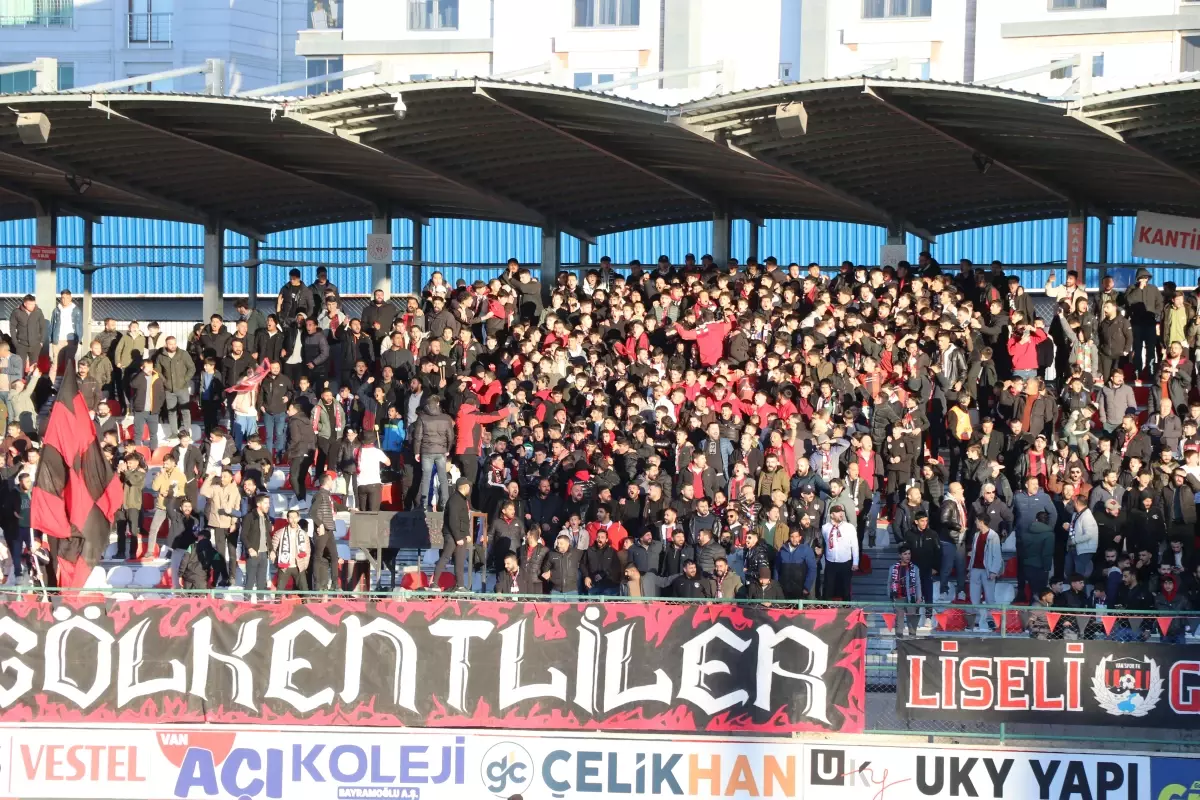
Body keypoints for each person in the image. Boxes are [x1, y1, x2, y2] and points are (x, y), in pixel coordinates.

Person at [411, 395, 454, 510]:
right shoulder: (446, 418)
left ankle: (424, 504)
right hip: (441, 451)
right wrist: (448, 449)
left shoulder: (422, 418)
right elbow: (450, 436)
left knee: (426, 478)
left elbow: (418, 437)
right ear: (438, 403)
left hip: (426, 451)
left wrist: (416, 452)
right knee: (443, 478)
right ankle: (444, 504)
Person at [435, 477, 473, 591]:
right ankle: (434, 583)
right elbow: (453, 520)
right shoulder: (455, 500)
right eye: (469, 486)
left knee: (459, 561)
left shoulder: (462, 500)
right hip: (452, 534)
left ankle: (460, 585)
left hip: (460, 535)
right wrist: (458, 537)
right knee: (445, 557)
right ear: (465, 487)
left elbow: (463, 519)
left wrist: (466, 534)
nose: (470, 488)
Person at [966, 516, 1003, 631]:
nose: (975, 522)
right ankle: (977, 620)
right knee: (974, 596)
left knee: (989, 597)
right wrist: (970, 568)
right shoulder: (976, 535)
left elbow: (997, 555)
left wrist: (994, 571)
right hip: (975, 569)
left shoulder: (993, 536)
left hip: (987, 570)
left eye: (977, 521)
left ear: (981, 522)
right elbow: (974, 553)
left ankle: (991, 620)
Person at [821, 504, 859, 600]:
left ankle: (846, 607)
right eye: (838, 512)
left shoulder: (849, 527)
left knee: (846, 589)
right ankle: (826, 607)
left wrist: (855, 562)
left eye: (842, 512)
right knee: (828, 588)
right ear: (832, 515)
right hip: (830, 562)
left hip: (845, 562)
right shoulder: (825, 528)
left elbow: (854, 545)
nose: (841, 514)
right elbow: (824, 543)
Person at [271, 508, 312, 593]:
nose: (293, 520)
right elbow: (273, 550)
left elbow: (308, 551)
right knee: (279, 592)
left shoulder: (303, 534)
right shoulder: (280, 533)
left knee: (305, 591)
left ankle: (307, 601)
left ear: (298, 518)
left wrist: (304, 565)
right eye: (291, 517)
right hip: (284, 566)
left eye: (295, 517)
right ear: (287, 519)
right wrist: (277, 564)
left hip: (298, 566)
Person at [241, 494, 273, 599]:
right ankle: (246, 602)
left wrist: (271, 550)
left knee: (261, 581)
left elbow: (267, 536)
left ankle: (261, 603)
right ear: (258, 504)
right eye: (266, 503)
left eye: (268, 503)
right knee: (250, 581)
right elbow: (243, 535)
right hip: (254, 553)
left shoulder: (266, 517)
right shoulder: (249, 517)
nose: (268, 505)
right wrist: (250, 548)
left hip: (264, 554)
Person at [128, 360, 164, 449]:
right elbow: (133, 384)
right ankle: (137, 452)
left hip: (153, 411)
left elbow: (162, 394)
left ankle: (153, 451)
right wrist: (142, 373)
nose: (150, 369)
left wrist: (158, 406)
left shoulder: (157, 377)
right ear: (142, 368)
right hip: (140, 410)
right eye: (147, 367)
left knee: (153, 434)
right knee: (138, 434)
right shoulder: (137, 376)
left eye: (151, 367)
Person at [889, 544, 923, 636]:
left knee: (912, 621)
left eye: (909, 554)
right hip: (898, 598)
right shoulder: (893, 568)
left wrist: (919, 598)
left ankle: (911, 641)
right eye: (905, 554)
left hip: (911, 598)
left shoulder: (915, 568)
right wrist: (890, 595)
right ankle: (899, 641)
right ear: (900, 555)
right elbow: (889, 582)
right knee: (898, 622)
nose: (908, 556)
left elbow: (918, 584)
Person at [355, 431, 391, 511]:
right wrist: (382, 452)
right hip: (374, 484)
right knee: (373, 512)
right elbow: (388, 463)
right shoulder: (377, 451)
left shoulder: (357, 451)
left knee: (362, 512)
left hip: (360, 484)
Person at [542, 532, 582, 597]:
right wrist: (549, 574)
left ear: (567, 544)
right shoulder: (551, 554)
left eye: (561, 543)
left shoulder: (576, 553)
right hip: (555, 590)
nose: (558, 545)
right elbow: (545, 568)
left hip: (572, 590)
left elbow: (585, 563)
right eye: (557, 543)